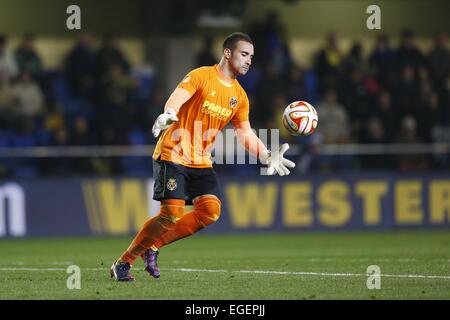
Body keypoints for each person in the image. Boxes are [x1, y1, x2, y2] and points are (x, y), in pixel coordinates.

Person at [110, 32, 295, 281]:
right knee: (171, 214)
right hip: (173, 153)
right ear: (227, 53)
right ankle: (124, 262)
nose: (249, 60)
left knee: (210, 211)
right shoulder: (201, 75)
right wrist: (169, 113)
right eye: (244, 54)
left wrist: (266, 154)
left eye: (251, 56)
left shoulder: (239, 97)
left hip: (201, 160)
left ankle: (152, 247)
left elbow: (245, 132)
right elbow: (179, 96)